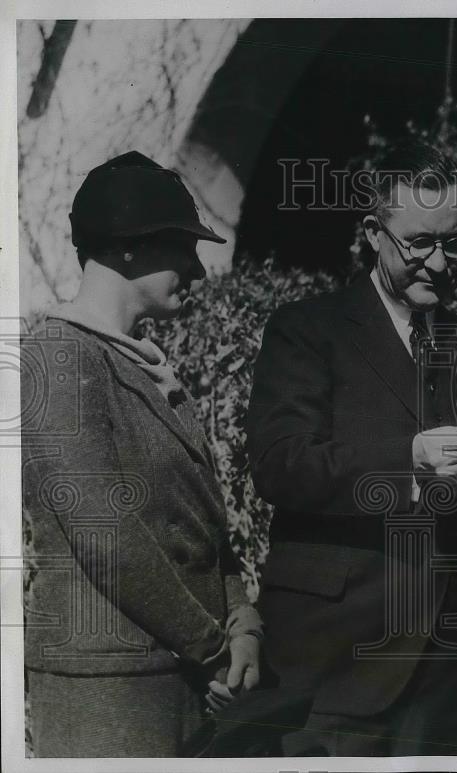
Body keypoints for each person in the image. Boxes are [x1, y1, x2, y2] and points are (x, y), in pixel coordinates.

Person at [246, 141, 457, 756]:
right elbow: (280, 464)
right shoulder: (306, 329)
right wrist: (410, 462)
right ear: (373, 232)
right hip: (342, 658)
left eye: (454, 243)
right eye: (420, 243)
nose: (441, 264)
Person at [21, 151, 263, 757]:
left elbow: (202, 529)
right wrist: (211, 648)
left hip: (184, 680)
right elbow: (106, 534)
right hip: (110, 690)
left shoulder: (145, 363)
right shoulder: (57, 356)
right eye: (183, 248)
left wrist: (243, 625)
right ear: (128, 249)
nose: (199, 271)